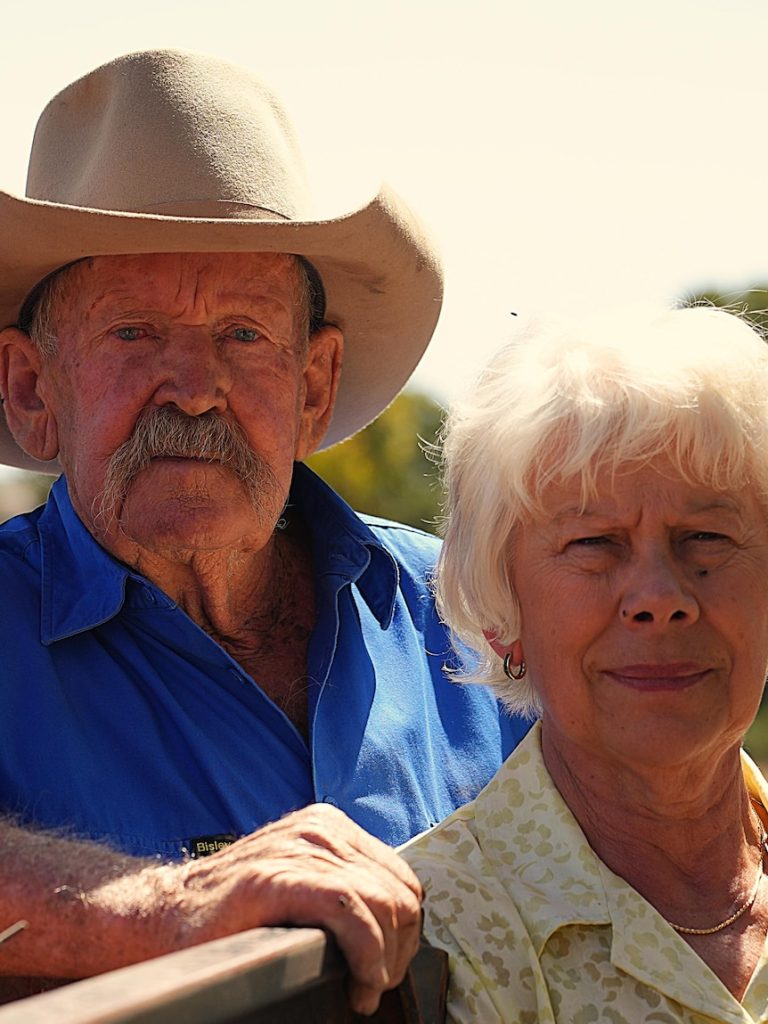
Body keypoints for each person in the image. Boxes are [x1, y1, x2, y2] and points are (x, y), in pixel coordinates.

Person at [0, 50, 528, 1010]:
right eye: (133, 333)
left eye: (243, 334)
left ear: (313, 388)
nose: (195, 389)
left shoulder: (465, 609)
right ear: (33, 390)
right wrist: (166, 907)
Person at [403, 306, 768, 1022]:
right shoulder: (437, 929)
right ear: (504, 613)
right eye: (594, 544)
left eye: (706, 536)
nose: (660, 598)